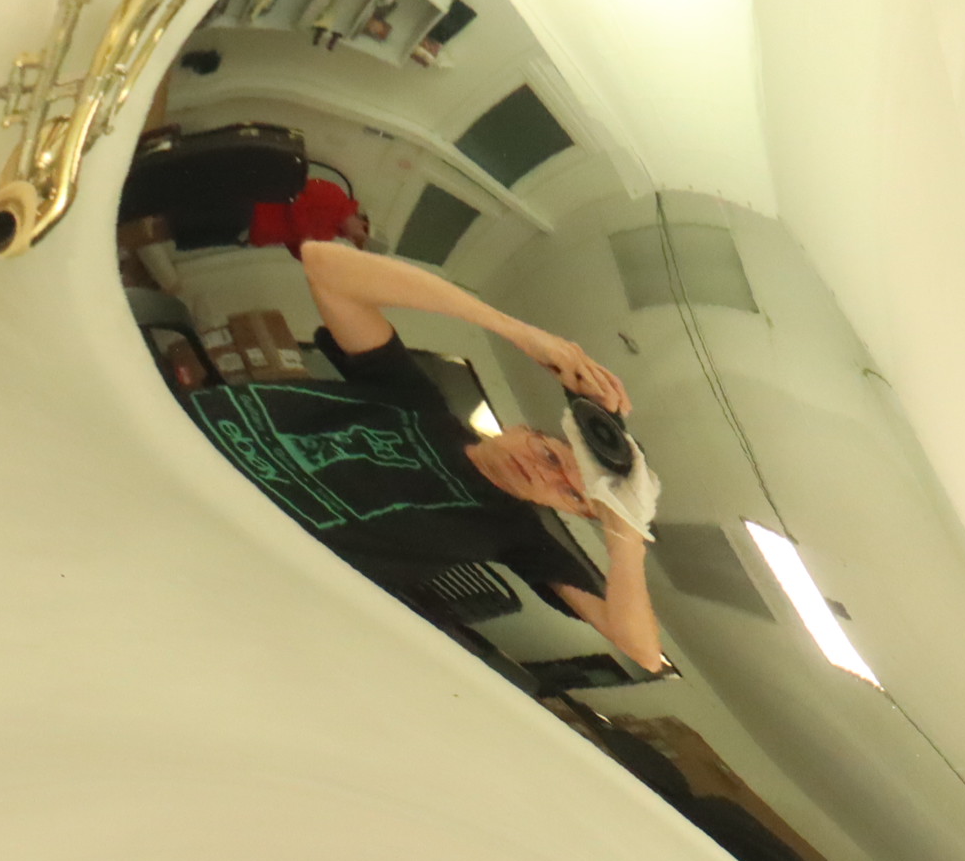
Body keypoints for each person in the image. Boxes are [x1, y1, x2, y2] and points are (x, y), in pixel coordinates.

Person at [186, 240, 665, 673]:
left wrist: (625, 528)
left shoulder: (515, 534)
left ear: (565, 511)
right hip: (185, 435)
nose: (544, 474)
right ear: (521, 431)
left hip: (223, 544)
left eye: (568, 493)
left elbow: (641, 650)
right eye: (552, 456)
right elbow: (323, 265)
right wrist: (518, 333)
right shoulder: (418, 398)